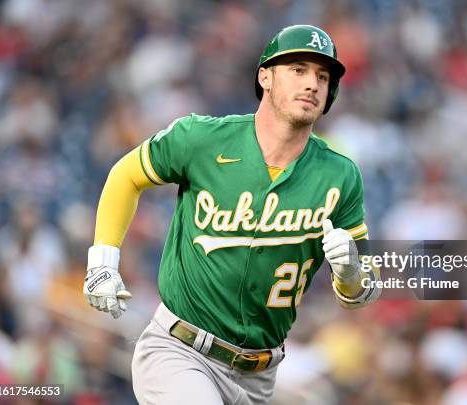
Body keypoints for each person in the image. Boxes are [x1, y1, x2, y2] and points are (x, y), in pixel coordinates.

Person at [82, 24, 381, 405]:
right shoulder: (202, 139)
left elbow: (365, 290)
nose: (312, 84)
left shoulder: (340, 174)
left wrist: (352, 273)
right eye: (298, 70)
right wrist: (103, 260)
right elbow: (126, 175)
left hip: (261, 377)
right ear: (265, 77)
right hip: (180, 351)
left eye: (323, 76)